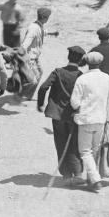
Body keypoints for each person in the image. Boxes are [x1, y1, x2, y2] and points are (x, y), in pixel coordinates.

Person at [35, 46, 86, 184]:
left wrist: (41, 104)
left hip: (57, 115)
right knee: (74, 143)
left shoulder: (57, 72)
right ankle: (79, 173)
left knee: (60, 143)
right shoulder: (81, 75)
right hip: (73, 115)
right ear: (81, 59)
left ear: (68, 57)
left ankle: (66, 175)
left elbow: (43, 88)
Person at [70, 52, 109, 192]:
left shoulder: (82, 79)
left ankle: (95, 180)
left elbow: (74, 102)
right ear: (100, 63)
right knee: (95, 150)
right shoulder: (107, 78)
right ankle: (92, 178)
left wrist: (77, 108)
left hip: (85, 119)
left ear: (87, 63)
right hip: (101, 119)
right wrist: (108, 119)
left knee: (85, 151)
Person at [19, 7, 53, 99]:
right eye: (48, 17)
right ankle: (21, 93)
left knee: (40, 73)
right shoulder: (33, 29)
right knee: (33, 80)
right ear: (45, 18)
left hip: (35, 57)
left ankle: (28, 95)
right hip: (30, 58)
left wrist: (52, 33)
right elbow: (25, 43)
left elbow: (42, 32)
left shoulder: (39, 26)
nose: (48, 18)